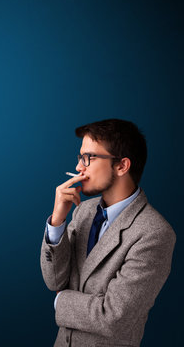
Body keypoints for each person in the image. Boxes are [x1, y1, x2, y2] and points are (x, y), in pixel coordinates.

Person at [40, 119, 176, 347]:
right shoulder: (83, 212)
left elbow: (114, 317)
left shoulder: (154, 233)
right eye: (80, 157)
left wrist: (61, 301)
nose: (79, 168)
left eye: (89, 158)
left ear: (122, 166)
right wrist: (57, 221)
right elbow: (55, 280)